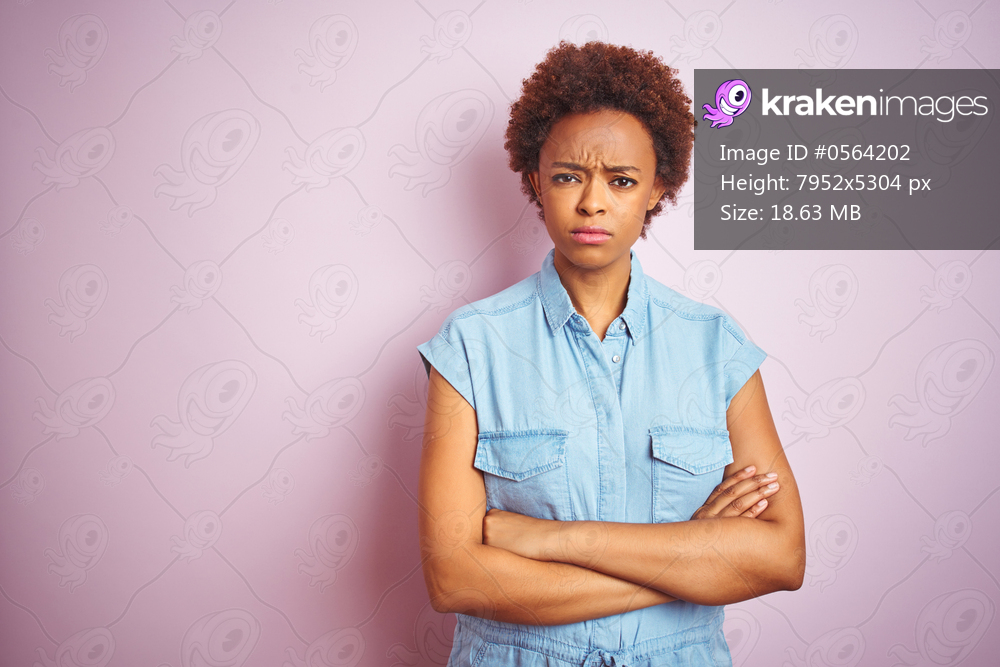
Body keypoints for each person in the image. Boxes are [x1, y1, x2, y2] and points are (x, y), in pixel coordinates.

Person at [415, 41, 804, 666]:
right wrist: (690, 556)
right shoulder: (470, 346)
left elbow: (782, 558)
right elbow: (455, 578)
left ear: (658, 189)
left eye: (621, 180)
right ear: (535, 181)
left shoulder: (716, 346)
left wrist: (553, 540)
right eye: (569, 175)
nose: (593, 202)